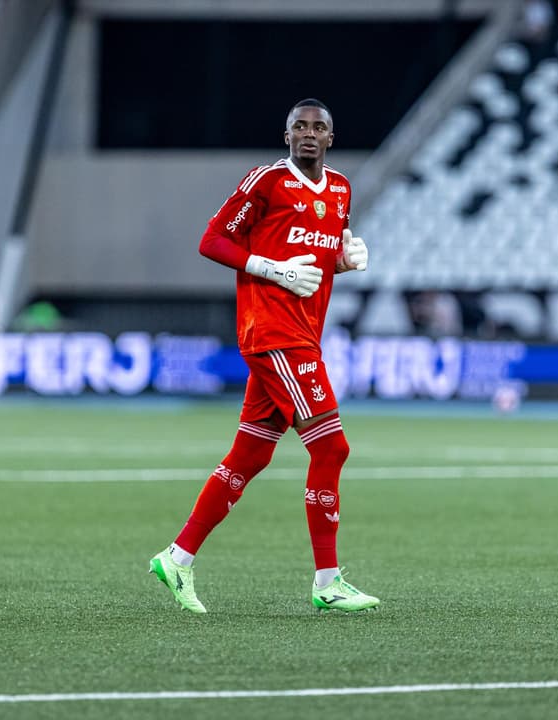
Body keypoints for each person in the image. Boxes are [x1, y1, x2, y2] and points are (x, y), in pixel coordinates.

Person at [149, 99, 377, 614]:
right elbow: (212, 241)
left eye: (319, 127)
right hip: (273, 334)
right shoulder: (266, 181)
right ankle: (327, 581)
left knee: (250, 455)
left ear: (331, 138)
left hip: (302, 334)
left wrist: (341, 261)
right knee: (331, 448)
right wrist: (272, 270)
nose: (309, 134)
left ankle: (177, 557)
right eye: (300, 126)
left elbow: (313, 261)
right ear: (287, 134)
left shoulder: (340, 189)